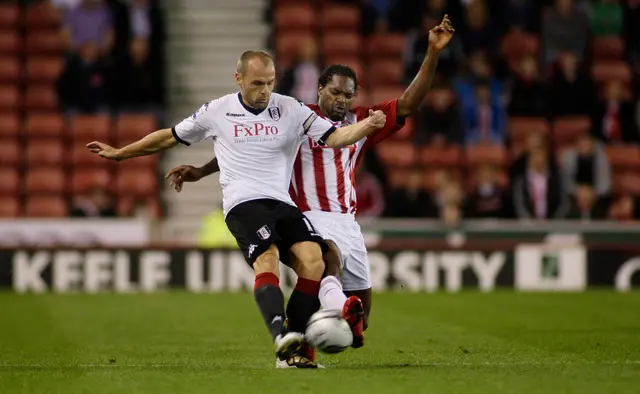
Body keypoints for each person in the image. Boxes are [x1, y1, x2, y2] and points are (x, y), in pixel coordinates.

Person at [166, 15, 454, 363]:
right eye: (334, 92)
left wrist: (432, 53)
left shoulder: (362, 121)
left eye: (348, 94)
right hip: (307, 214)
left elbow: (408, 104)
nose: (341, 100)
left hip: (347, 220)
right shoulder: (297, 116)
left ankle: (309, 336)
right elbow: (248, 149)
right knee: (324, 261)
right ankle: (296, 350)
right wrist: (202, 170)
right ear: (320, 89)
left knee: (359, 314)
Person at [86, 50, 387, 369]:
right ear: (239, 79)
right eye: (258, 83)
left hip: (283, 203)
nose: (265, 91)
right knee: (267, 258)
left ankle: (295, 347)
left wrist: (367, 125)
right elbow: (169, 137)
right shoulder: (218, 111)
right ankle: (281, 338)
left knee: (314, 261)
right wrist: (122, 153)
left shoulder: (290, 109)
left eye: (270, 83)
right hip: (244, 204)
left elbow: (337, 137)